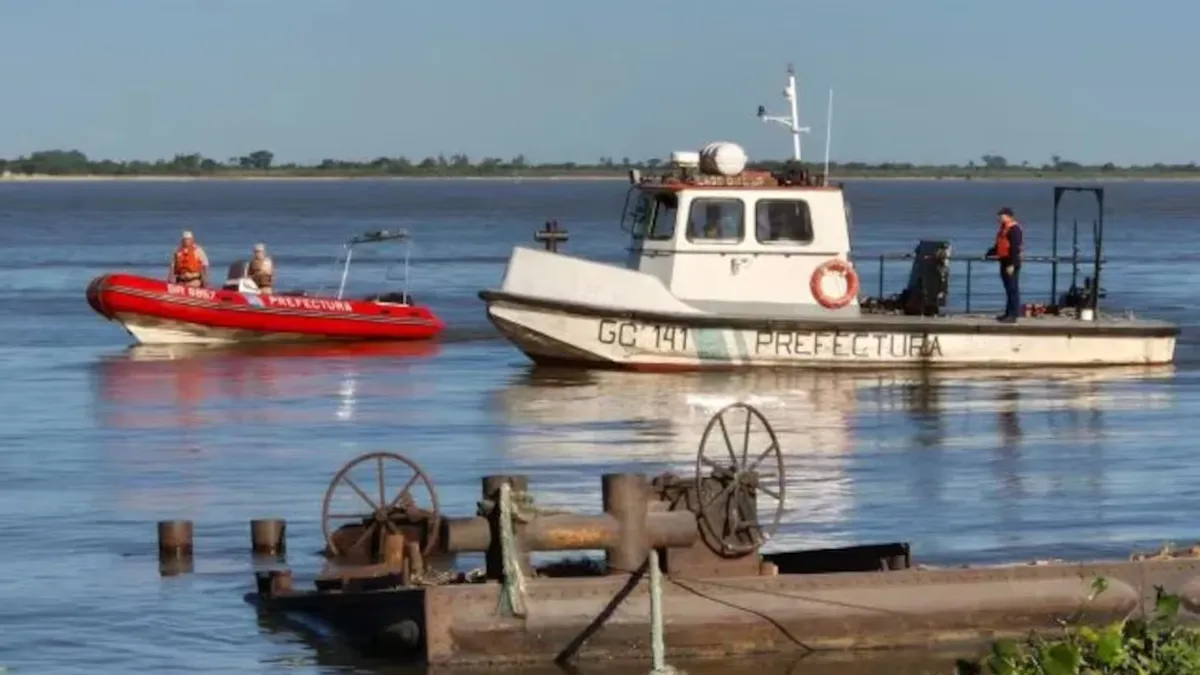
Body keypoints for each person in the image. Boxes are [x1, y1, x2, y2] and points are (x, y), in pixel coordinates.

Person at [986, 207, 1024, 322]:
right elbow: (999, 246)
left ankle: (1013, 315)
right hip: (1004, 261)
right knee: (1008, 289)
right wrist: (988, 254)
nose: (1000, 218)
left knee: (1013, 289)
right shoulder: (1004, 228)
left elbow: (1014, 248)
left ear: (1008, 216)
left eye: (1002, 216)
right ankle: (1008, 313)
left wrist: (1012, 264)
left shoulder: (1015, 229)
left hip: (1011, 263)